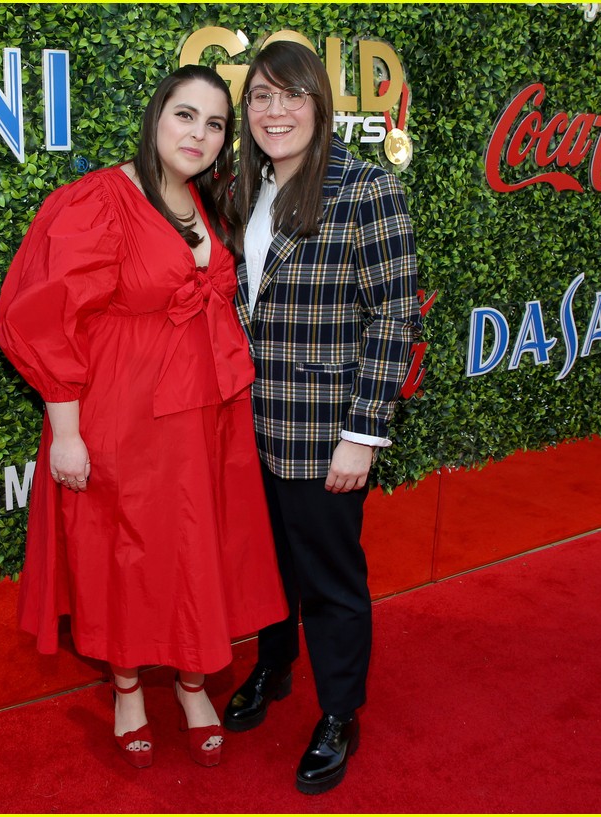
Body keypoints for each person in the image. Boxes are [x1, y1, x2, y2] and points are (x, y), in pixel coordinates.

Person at [0, 65, 287, 770]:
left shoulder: (206, 202)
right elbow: (40, 317)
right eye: (186, 115)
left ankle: (191, 684)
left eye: (215, 124)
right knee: (122, 554)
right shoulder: (95, 201)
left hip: (206, 417)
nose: (200, 134)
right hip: (122, 416)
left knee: (196, 549)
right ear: (156, 115)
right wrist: (66, 432)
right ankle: (127, 689)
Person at [223, 41, 421, 794]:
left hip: (324, 431)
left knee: (332, 580)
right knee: (268, 565)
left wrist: (362, 433)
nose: (276, 113)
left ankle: (340, 711)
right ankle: (274, 666)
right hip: (250, 425)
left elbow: (394, 314)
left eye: (291, 96)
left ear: (320, 105)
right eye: (262, 99)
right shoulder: (247, 187)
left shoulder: (365, 188)